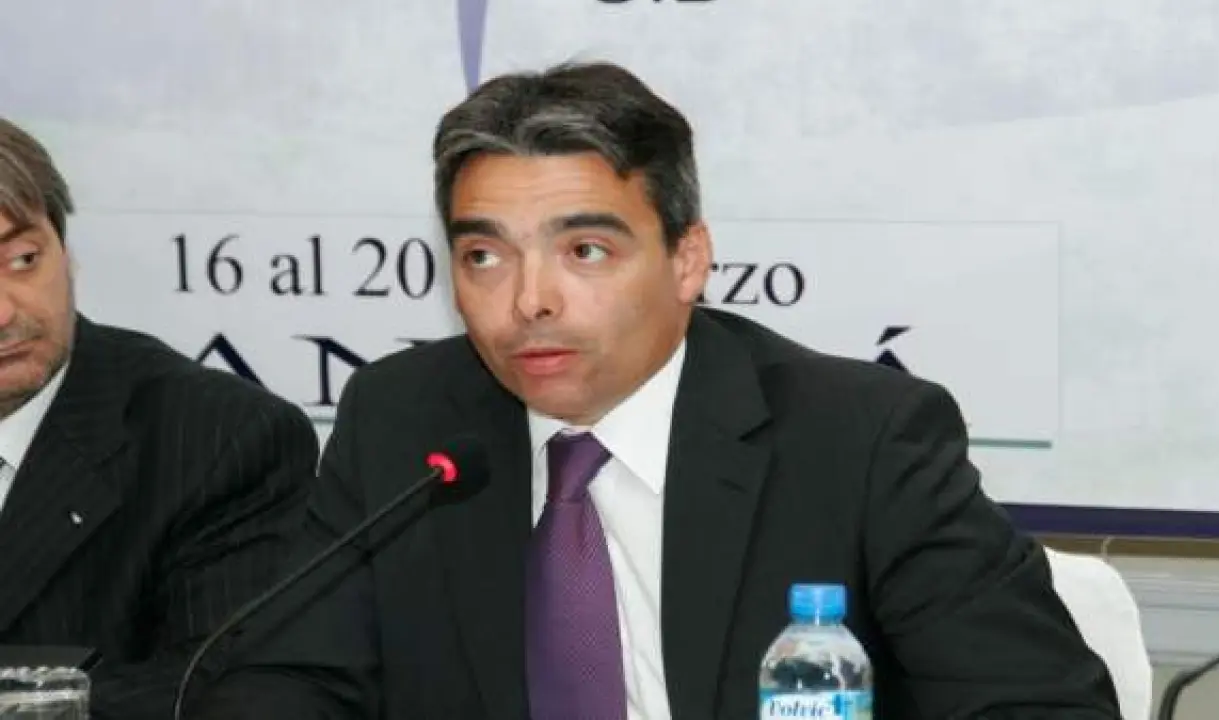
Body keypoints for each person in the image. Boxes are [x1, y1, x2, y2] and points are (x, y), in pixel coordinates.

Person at [195, 62, 1122, 719]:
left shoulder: (860, 439)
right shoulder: (403, 421)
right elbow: (288, 680)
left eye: (585, 250)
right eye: (483, 256)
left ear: (688, 260)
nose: (529, 301)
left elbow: (1036, 703)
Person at [0, 118, 319, 719]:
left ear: (65, 252)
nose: (5, 311)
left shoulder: (218, 440)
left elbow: (221, 694)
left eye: (23, 259)